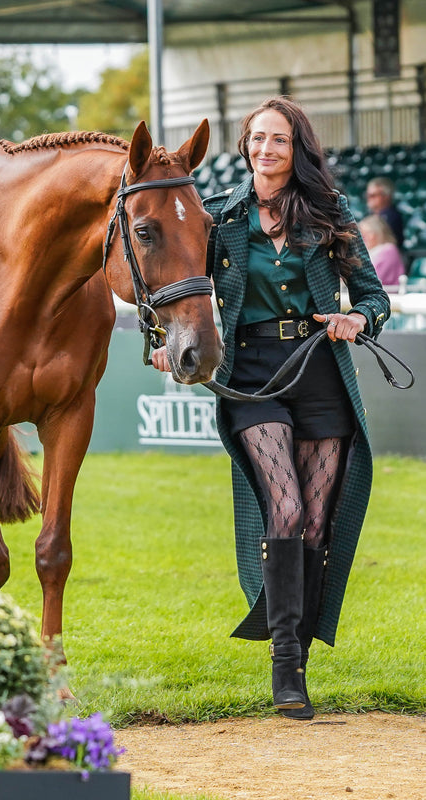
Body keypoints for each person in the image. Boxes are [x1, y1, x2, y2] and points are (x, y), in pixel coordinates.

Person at [152, 97, 390, 719]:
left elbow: (373, 294)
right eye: (257, 139)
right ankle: (285, 663)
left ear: (297, 147)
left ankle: (300, 659)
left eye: (279, 140)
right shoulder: (219, 217)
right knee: (283, 509)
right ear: (245, 145)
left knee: (315, 523)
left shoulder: (330, 213)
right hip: (253, 372)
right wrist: (163, 346)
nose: (266, 150)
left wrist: (357, 316)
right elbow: (176, 287)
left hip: (318, 369)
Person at [359, 214, 406, 287]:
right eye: (362, 234)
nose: (364, 237)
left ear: (379, 232)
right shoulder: (368, 251)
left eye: (368, 233)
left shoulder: (388, 250)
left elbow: (372, 279)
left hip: (388, 295)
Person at [365, 177, 405, 249]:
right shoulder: (370, 215)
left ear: (386, 196)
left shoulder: (392, 216)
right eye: (367, 195)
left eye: (373, 195)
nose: (369, 198)